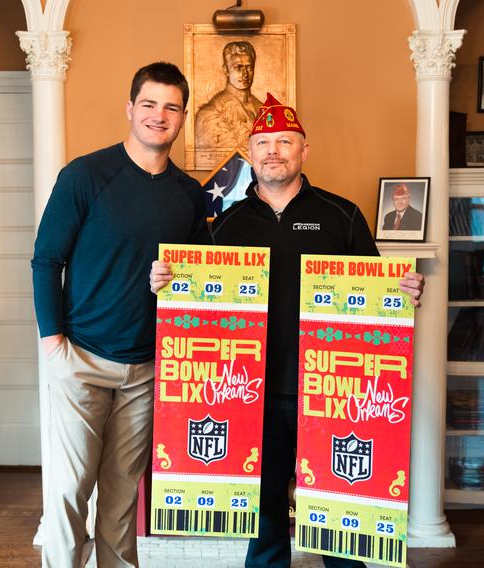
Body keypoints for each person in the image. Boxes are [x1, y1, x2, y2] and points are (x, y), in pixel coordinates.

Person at [150, 93, 425, 568]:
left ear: (304, 151)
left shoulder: (343, 215)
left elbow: (377, 295)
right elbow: (196, 296)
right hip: (249, 393)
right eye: (263, 143)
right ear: (250, 152)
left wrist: (403, 291)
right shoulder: (222, 224)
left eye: (284, 141)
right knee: (265, 508)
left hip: (331, 394)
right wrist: (166, 283)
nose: (273, 151)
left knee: (339, 512)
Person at [32, 61, 210, 568]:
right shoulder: (85, 175)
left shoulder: (189, 195)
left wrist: (176, 283)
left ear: (182, 117)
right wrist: (53, 343)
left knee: (120, 497)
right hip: (81, 358)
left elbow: (201, 279)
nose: (160, 115)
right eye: (149, 104)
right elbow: (47, 259)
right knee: (69, 492)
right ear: (131, 108)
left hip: (149, 369)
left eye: (172, 107)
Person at [194, 41, 264, 151]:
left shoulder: (264, 109)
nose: (245, 74)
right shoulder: (209, 113)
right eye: (238, 67)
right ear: (226, 70)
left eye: (249, 67)